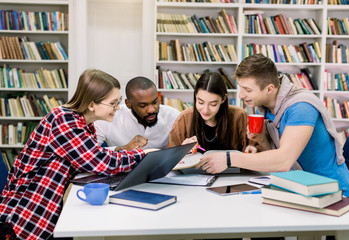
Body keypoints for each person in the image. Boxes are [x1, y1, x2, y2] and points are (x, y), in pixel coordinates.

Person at [0, 69, 151, 240]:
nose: (117, 108)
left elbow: (87, 156)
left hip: (49, 204)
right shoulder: (63, 120)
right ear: (92, 104)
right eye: (113, 103)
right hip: (28, 213)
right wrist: (143, 155)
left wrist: (122, 151)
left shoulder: (83, 123)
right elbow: (99, 161)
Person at [196, 54, 349, 198]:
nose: (241, 95)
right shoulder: (265, 107)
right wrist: (261, 141)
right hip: (299, 186)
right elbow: (279, 156)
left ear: (269, 88)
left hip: (334, 193)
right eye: (241, 88)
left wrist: (229, 159)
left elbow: (284, 161)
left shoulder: (301, 107)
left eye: (247, 89)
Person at [167, 71, 253, 153]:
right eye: (200, 102)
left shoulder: (240, 117)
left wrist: (252, 149)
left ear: (223, 99)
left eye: (213, 104)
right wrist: (181, 151)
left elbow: (255, 148)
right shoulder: (184, 118)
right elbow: (169, 156)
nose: (205, 110)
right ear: (195, 96)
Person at [95, 76, 180, 151]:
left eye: (155, 102)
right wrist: (124, 148)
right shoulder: (109, 117)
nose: (151, 110)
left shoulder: (173, 115)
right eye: (143, 105)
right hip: (124, 167)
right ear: (128, 104)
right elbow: (90, 153)